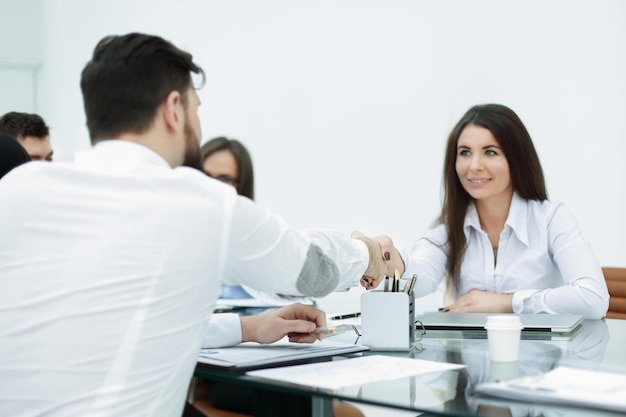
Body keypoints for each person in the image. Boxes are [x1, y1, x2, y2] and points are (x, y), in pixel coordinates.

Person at [0, 32, 399, 417]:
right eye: (196, 107)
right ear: (175, 108)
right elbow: (309, 268)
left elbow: (118, 327)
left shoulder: (16, 189)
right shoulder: (198, 203)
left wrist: (248, 327)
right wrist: (368, 251)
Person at [359, 104, 609, 319]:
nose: (474, 166)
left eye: (490, 152)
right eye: (465, 153)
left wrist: (506, 303)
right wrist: (392, 261)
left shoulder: (551, 218)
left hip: (539, 366)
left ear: (516, 159)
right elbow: (422, 273)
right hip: (473, 369)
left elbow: (593, 298)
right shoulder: (449, 227)